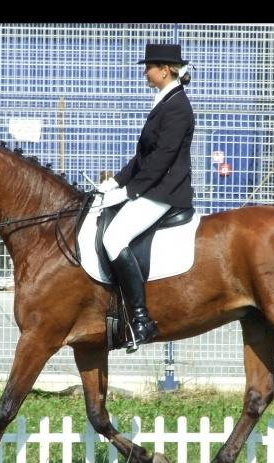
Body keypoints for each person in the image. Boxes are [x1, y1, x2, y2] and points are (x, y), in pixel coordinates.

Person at [98, 43, 195, 352]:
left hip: (165, 192)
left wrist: (129, 192)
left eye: (148, 67)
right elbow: (143, 158)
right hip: (153, 186)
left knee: (113, 238)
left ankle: (141, 319)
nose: (145, 73)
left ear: (165, 70)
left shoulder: (178, 107)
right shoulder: (164, 101)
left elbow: (162, 159)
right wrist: (115, 182)